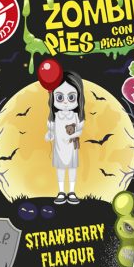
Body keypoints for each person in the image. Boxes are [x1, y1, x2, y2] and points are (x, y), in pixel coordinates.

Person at [45, 71, 85, 205]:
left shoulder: (76, 116)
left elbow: (79, 131)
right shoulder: (55, 117)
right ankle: (61, 191)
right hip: (59, 147)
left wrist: (72, 136)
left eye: (71, 97)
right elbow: (51, 130)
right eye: (60, 97)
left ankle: (71, 192)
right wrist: (49, 135)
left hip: (72, 147)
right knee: (60, 169)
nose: (66, 102)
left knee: (72, 168)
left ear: (79, 97)